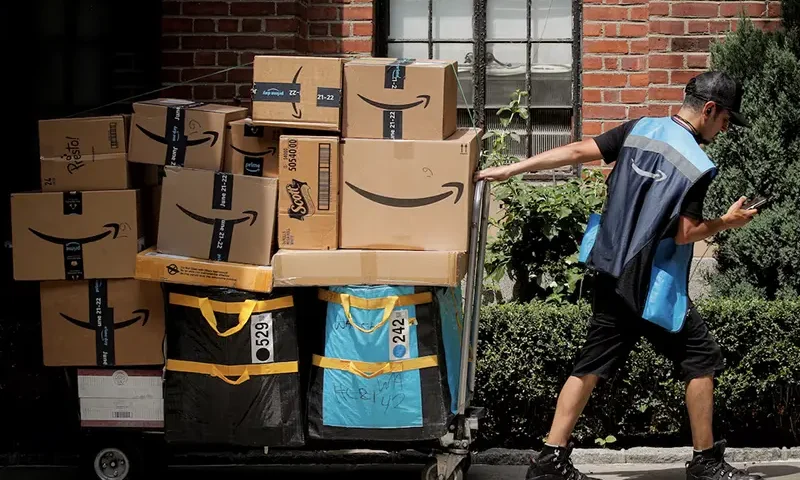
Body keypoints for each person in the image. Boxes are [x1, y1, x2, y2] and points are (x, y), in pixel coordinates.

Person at [475, 71, 763, 480]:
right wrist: (727, 222)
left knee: (591, 362)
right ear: (710, 110)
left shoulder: (640, 127)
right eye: (725, 120)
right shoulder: (699, 164)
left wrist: (512, 169)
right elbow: (684, 233)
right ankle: (705, 461)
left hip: (609, 268)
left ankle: (549, 460)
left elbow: (577, 151)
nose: (725, 128)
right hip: (649, 283)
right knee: (701, 356)